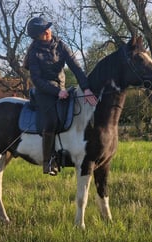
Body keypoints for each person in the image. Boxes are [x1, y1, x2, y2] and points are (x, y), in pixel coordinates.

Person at [24, 16, 98, 176]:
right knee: (51, 120)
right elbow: (36, 79)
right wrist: (57, 91)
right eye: (44, 31)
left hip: (62, 88)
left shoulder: (61, 45)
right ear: (37, 36)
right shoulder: (34, 53)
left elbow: (76, 68)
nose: (48, 32)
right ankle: (48, 161)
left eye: (48, 28)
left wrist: (85, 89)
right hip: (45, 91)